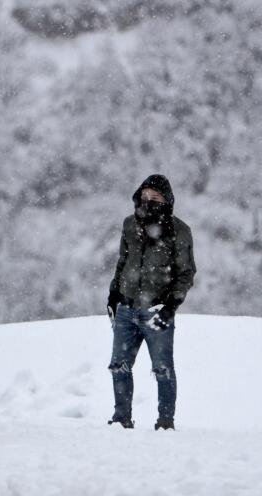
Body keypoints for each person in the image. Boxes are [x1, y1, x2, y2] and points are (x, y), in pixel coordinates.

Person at [106, 174, 196, 430]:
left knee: (163, 369)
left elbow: (186, 273)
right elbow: (122, 263)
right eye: (145, 195)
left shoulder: (180, 231)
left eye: (155, 197)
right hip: (126, 308)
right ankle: (121, 419)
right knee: (118, 367)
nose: (148, 200)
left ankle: (165, 422)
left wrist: (170, 307)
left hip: (157, 311)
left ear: (166, 200)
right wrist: (113, 295)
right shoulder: (129, 224)